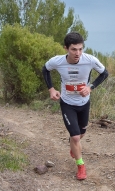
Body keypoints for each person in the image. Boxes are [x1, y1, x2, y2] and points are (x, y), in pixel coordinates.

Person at [42, 32, 108, 180]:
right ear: (66, 48)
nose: (78, 53)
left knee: (81, 133)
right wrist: (51, 89)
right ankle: (80, 165)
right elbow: (45, 69)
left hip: (84, 103)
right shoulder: (57, 61)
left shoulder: (90, 60)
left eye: (80, 49)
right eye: (73, 49)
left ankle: (73, 144)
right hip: (67, 104)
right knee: (76, 137)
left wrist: (90, 87)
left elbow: (105, 74)